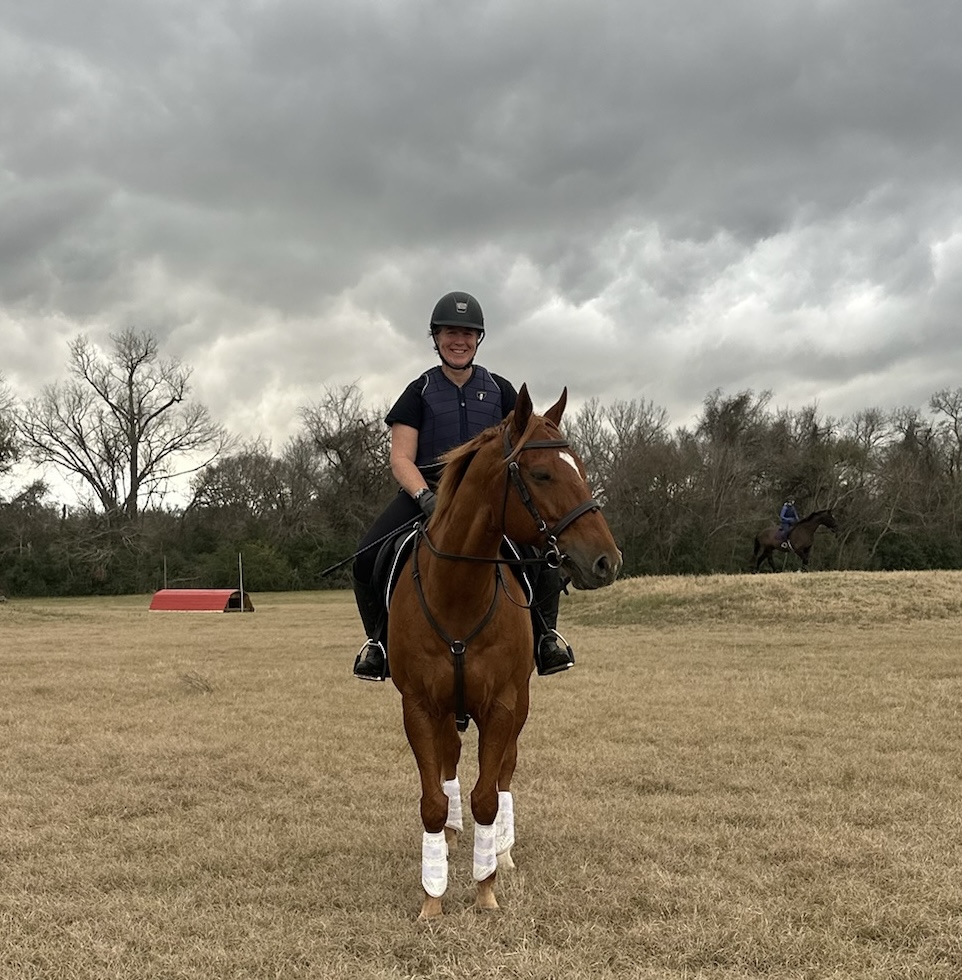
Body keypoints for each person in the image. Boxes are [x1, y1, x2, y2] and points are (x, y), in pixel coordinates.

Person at [351, 290, 575, 681]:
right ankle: (379, 644)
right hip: (428, 493)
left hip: (490, 498)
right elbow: (401, 457)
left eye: (468, 334)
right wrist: (425, 498)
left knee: (544, 561)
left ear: (479, 339)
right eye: (451, 332)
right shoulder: (417, 392)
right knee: (366, 559)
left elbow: (525, 447)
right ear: (436, 338)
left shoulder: (502, 390)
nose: (460, 340)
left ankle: (546, 639)